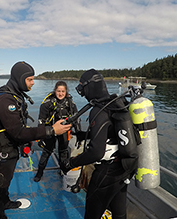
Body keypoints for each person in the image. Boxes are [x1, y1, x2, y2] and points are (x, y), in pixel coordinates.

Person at [0, 61, 71, 219]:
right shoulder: (5, 101)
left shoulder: (14, 95)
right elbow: (18, 133)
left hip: (7, 150)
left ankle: (6, 202)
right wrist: (51, 130)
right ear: (20, 79)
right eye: (30, 79)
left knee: (5, 183)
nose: (33, 83)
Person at [60, 69, 136, 219]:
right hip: (124, 168)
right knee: (119, 213)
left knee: (91, 215)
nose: (83, 93)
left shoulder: (98, 110)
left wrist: (70, 163)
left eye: (82, 89)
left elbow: (96, 152)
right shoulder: (116, 102)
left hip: (106, 172)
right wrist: (82, 135)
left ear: (89, 87)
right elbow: (110, 134)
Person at [34, 81, 80, 182]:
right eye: (58, 91)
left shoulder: (70, 103)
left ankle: (63, 171)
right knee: (46, 152)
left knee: (63, 152)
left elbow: (77, 119)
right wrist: (40, 136)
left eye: (63, 91)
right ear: (55, 91)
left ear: (66, 91)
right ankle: (40, 172)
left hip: (64, 131)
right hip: (51, 130)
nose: (60, 93)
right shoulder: (48, 103)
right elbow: (41, 120)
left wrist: (79, 133)